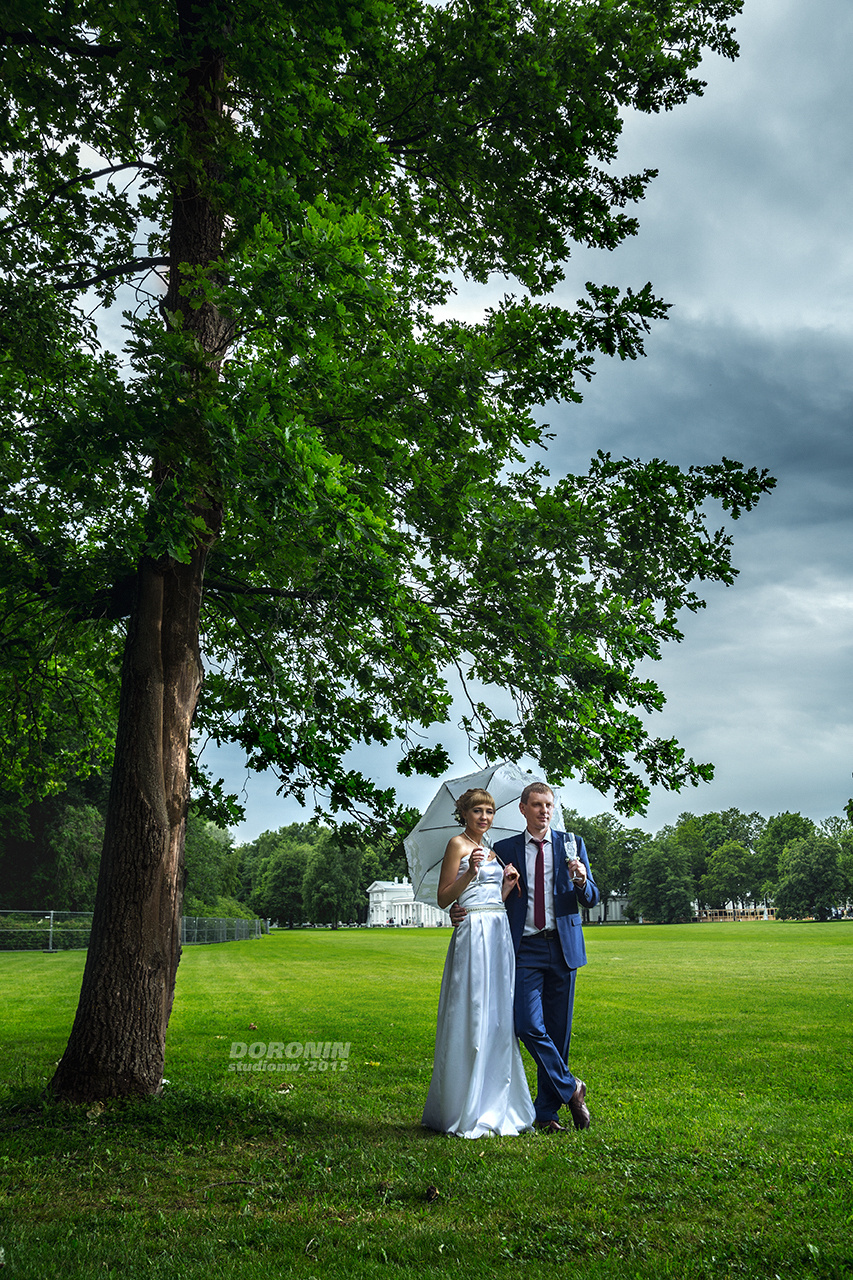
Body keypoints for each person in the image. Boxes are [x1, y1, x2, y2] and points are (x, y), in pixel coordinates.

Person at [452, 782, 599, 1133]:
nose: (543, 811)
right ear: (523, 809)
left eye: (548, 805)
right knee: (527, 1025)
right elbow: (487, 893)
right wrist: (459, 909)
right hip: (525, 948)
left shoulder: (572, 844)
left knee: (558, 1033)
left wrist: (581, 881)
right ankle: (572, 1087)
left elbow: (592, 897)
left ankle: (546, 1113)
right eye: (536, 805)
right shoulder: (505, 849)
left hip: (563, 948)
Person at [421, 788, 535, 1138]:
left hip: (498, 930)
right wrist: (470, 871)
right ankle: (464, 1104)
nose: (484, 817)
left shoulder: (494, 851)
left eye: (489, 811)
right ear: (465, 814)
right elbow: (444, 898)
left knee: (498, 1012)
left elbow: (491, 898)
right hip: (473, 932)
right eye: (477, 811)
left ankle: (497, 1098)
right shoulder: (457, 845)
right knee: (472, 1008)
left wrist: (507, 886)